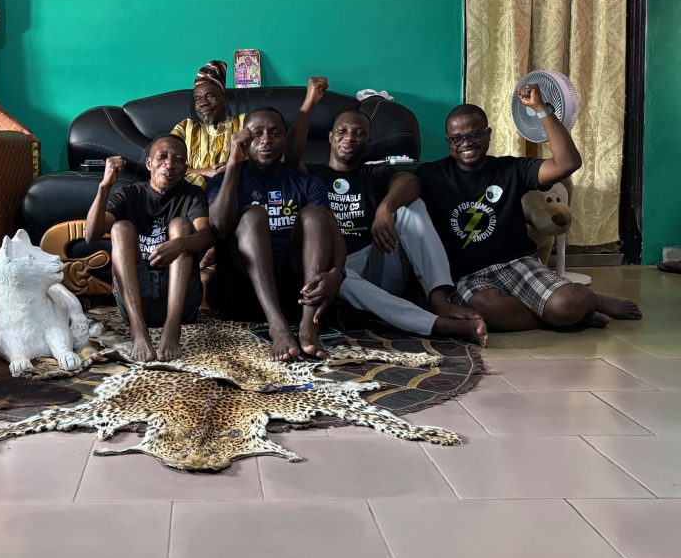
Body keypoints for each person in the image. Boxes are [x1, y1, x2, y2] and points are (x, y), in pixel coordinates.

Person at [417, 87, 641, 331]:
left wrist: (540, 109)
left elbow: (568, 163)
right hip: (468, 275)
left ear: (488, 134)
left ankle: (588, 303)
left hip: (518, 263)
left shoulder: (511, 169)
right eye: (457, 138)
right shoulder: (432, 174)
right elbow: (402, 182)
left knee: (568, 303)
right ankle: (568, 316)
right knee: (482, 311)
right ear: (448, 142)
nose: (466, 143)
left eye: (475, 134)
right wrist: (389, 207)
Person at [286, 87, 488, 346]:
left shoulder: (373, 174)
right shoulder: (314, 174)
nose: (350, 138)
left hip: (377, 262)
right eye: (342, 131)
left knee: (410, 206)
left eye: (359, 133)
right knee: (337, 275)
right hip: (337, 269)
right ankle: (437, 324)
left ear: (369, 141)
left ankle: (439, 298)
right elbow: (291, 157)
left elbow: (411, 181)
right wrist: (309, 102)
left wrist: (386, 209)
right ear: (330, 137)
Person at [207, 107, 345, 362]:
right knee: (254, 215)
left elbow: (332, 231)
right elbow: (219, 227)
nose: (266, 140)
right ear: (244, 139)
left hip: (294, 290)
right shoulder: (224, 179)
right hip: (242, 288)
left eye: (274, 133)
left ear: (285, 139)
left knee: (315, 214)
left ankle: (308, 325)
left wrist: (338, 272)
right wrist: (234, 161)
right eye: (257, 134)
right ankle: (277, 325)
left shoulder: (306, 182)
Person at [84, 135, 212, 362]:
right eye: (162, 157)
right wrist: (105, 187)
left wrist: (180, 244)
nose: (169, 164)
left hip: (180, 299)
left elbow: (207, 235)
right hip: (136, 298)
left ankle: (172, 327)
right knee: (120, 228)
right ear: (149, 164)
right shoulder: (129, 194)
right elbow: (91, 236)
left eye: (178, 159)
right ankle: (139, 329)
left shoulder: (193, 195)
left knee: (181, 225)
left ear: (185, 169)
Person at [171, 59, 247, 188]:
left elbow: (264, 157)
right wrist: (203, 172)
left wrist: (234, 166)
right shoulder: (185, 128)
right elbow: (166, 162)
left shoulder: (244, 122)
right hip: (190, 194)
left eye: (210, 96)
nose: (202, 103)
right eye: (197, 99)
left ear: (224, 100)